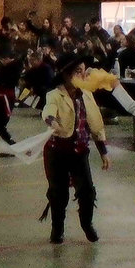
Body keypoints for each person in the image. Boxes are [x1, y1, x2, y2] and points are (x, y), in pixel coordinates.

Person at [41, 57, 109, 243]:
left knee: (87, 191)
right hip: (57, 152)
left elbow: (95, 124)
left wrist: (103, 151)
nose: (83, 75)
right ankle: (57, 229)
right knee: (58, 193)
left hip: (79, 151)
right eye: (78, 71)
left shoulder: (87, 95)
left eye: (84, 71)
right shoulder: (55, 94)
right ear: (66, 74)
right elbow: (48, 110)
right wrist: (51, 121)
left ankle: (87, 224)